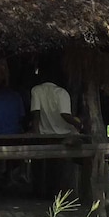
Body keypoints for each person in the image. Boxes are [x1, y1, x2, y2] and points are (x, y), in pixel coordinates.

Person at [29, 65, 81, 197]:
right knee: (60, 164)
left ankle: (40, 191)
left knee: (42, 164)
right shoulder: (62, 92)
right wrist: (79, 124)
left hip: (44, 133)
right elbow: (65, 115)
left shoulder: (36, 90)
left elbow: (36, 114)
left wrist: (36, 134)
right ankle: (59, 191)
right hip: (64, 134)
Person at [0, 85, 26, 187]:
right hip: (13, 133)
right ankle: (9, 176)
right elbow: (22, 116)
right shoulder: (16, 96)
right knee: (11, 153)